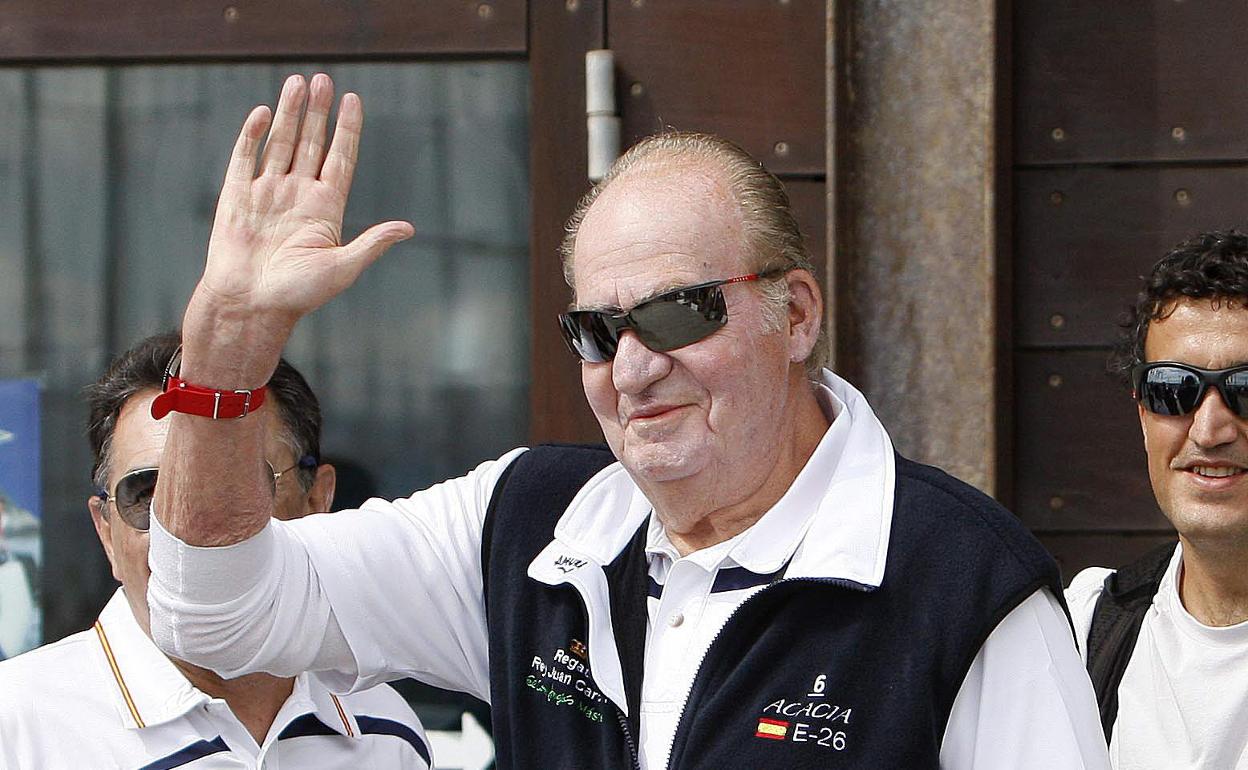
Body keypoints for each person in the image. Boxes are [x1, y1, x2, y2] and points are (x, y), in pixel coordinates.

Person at [145, 73, 1109, 768]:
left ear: (796, 314)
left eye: (681, 312)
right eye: (598, 332)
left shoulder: (964, 582)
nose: (637, 369)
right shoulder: (528, 528)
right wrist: (228, 347)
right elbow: (212, 614)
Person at [0, 332, 432, 769]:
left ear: (317, 500)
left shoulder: (385, 731)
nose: (187, 530)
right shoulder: (19, 732)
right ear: (107, 532)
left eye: (233, 488)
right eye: (146, 493)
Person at [1067, 230, 1248, 769]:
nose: (1209, 430)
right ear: (1142, 412)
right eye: (1173, 388)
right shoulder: (1086, 631)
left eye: (1246, 388)